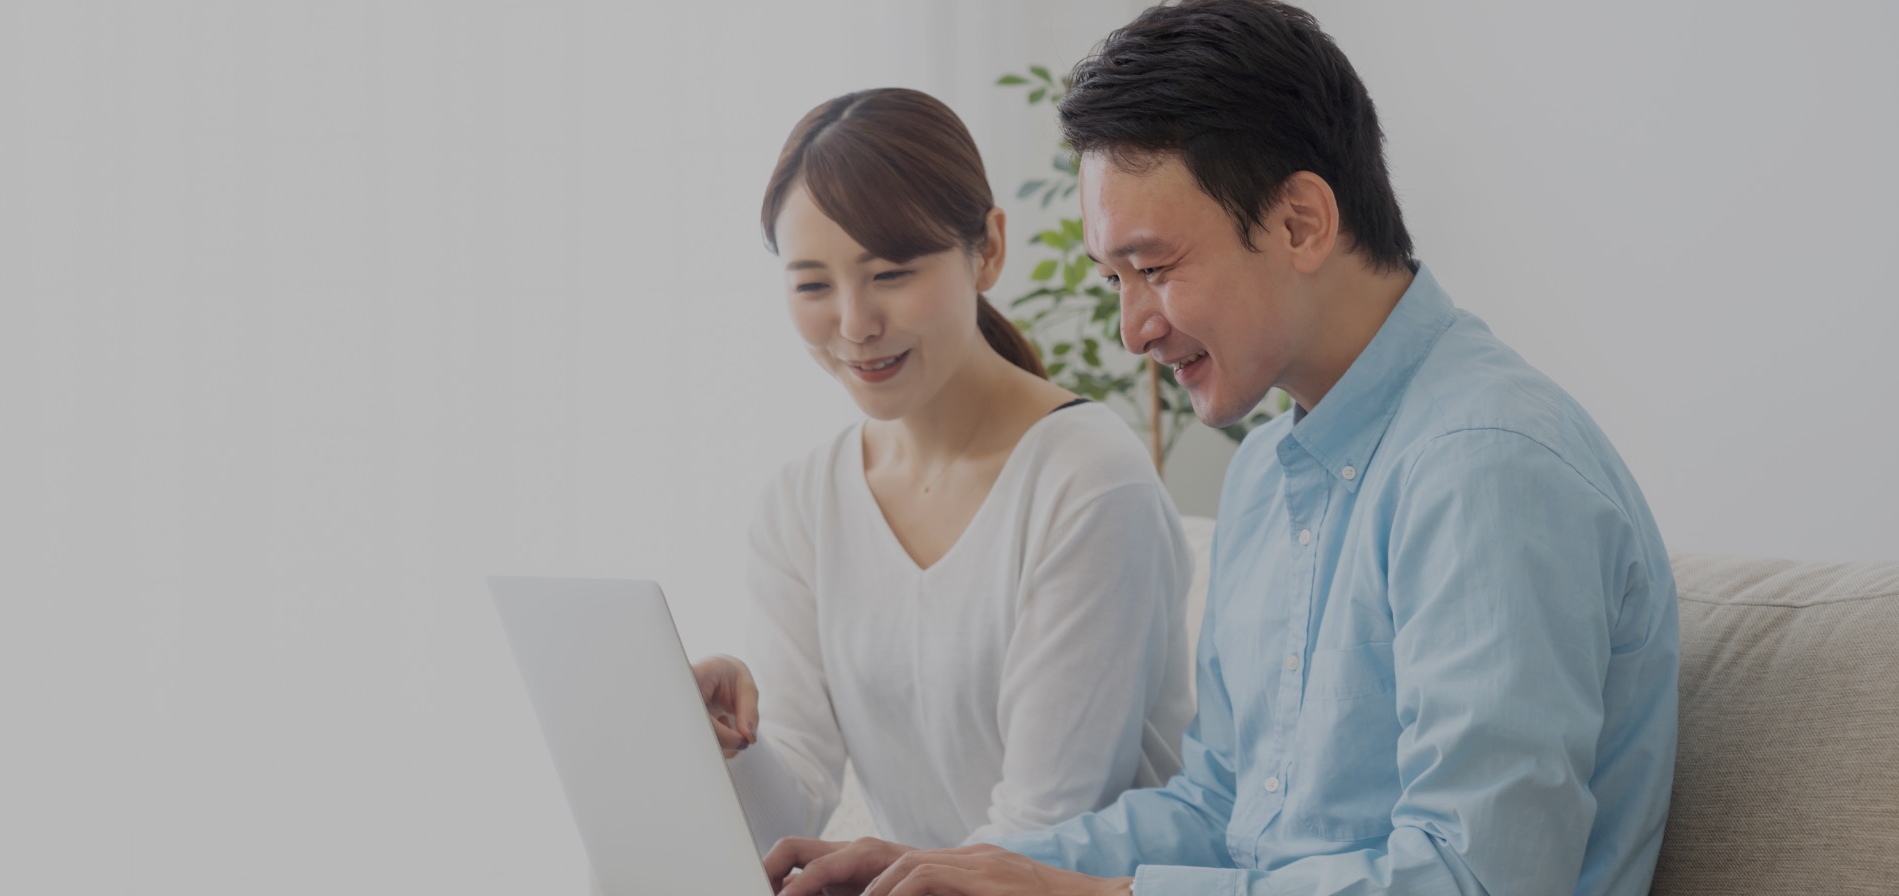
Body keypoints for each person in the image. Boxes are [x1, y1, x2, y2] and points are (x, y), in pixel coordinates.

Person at [762, 2, 1681, 895]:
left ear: (1301, 224)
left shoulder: (1486, 466)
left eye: (1154, 269)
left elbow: (1480, 877)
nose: (1132, 329)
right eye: (1113, 278)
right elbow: (1222, 809)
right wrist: (968, 869)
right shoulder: (1266, 477)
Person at [690, 87, 1196, 854]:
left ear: (987, 248)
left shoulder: (1089, 481)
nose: (855, 325)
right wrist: (727, 744)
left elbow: (1040, 832)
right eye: (813, 284)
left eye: (890, 272)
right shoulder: (799, 506)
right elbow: (782, 823)